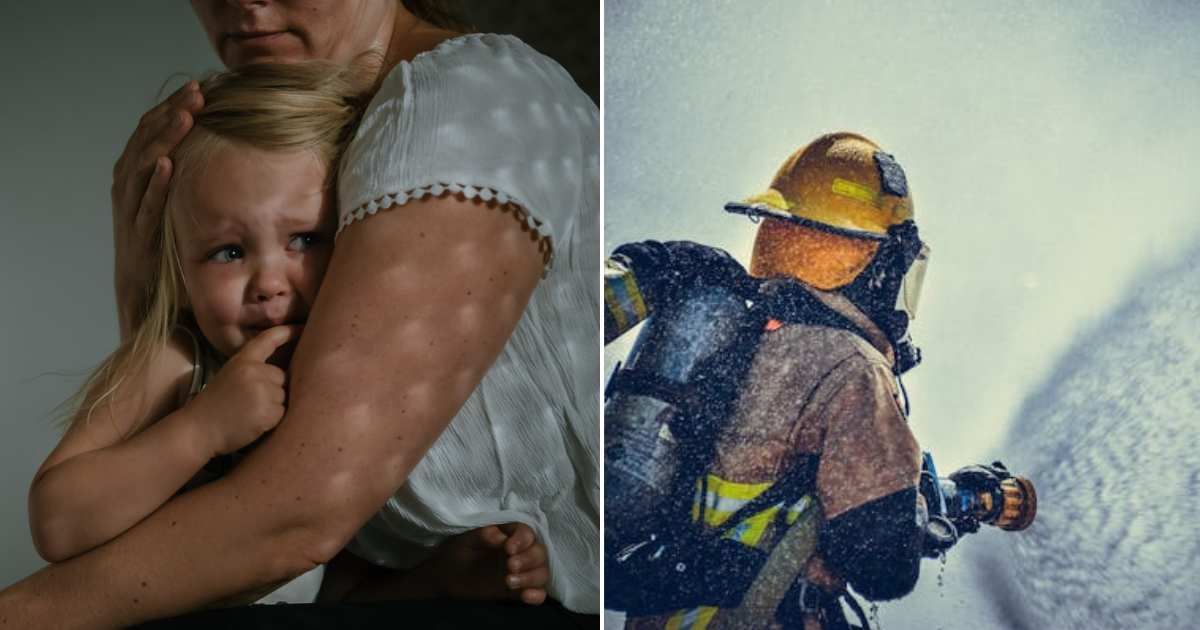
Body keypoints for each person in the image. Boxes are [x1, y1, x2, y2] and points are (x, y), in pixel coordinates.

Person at [0, 1, 598, 626]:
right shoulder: (198, 357)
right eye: (227, 251)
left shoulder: (460, 105)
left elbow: (297, 518)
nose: (245, 3)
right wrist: (151, 306)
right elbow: (101, 521)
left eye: (307, 240)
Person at [606, 132, 941, 629]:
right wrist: (923, 509)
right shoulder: (853, 370)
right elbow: (883, 566)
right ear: (875, 263)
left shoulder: (737, 336)